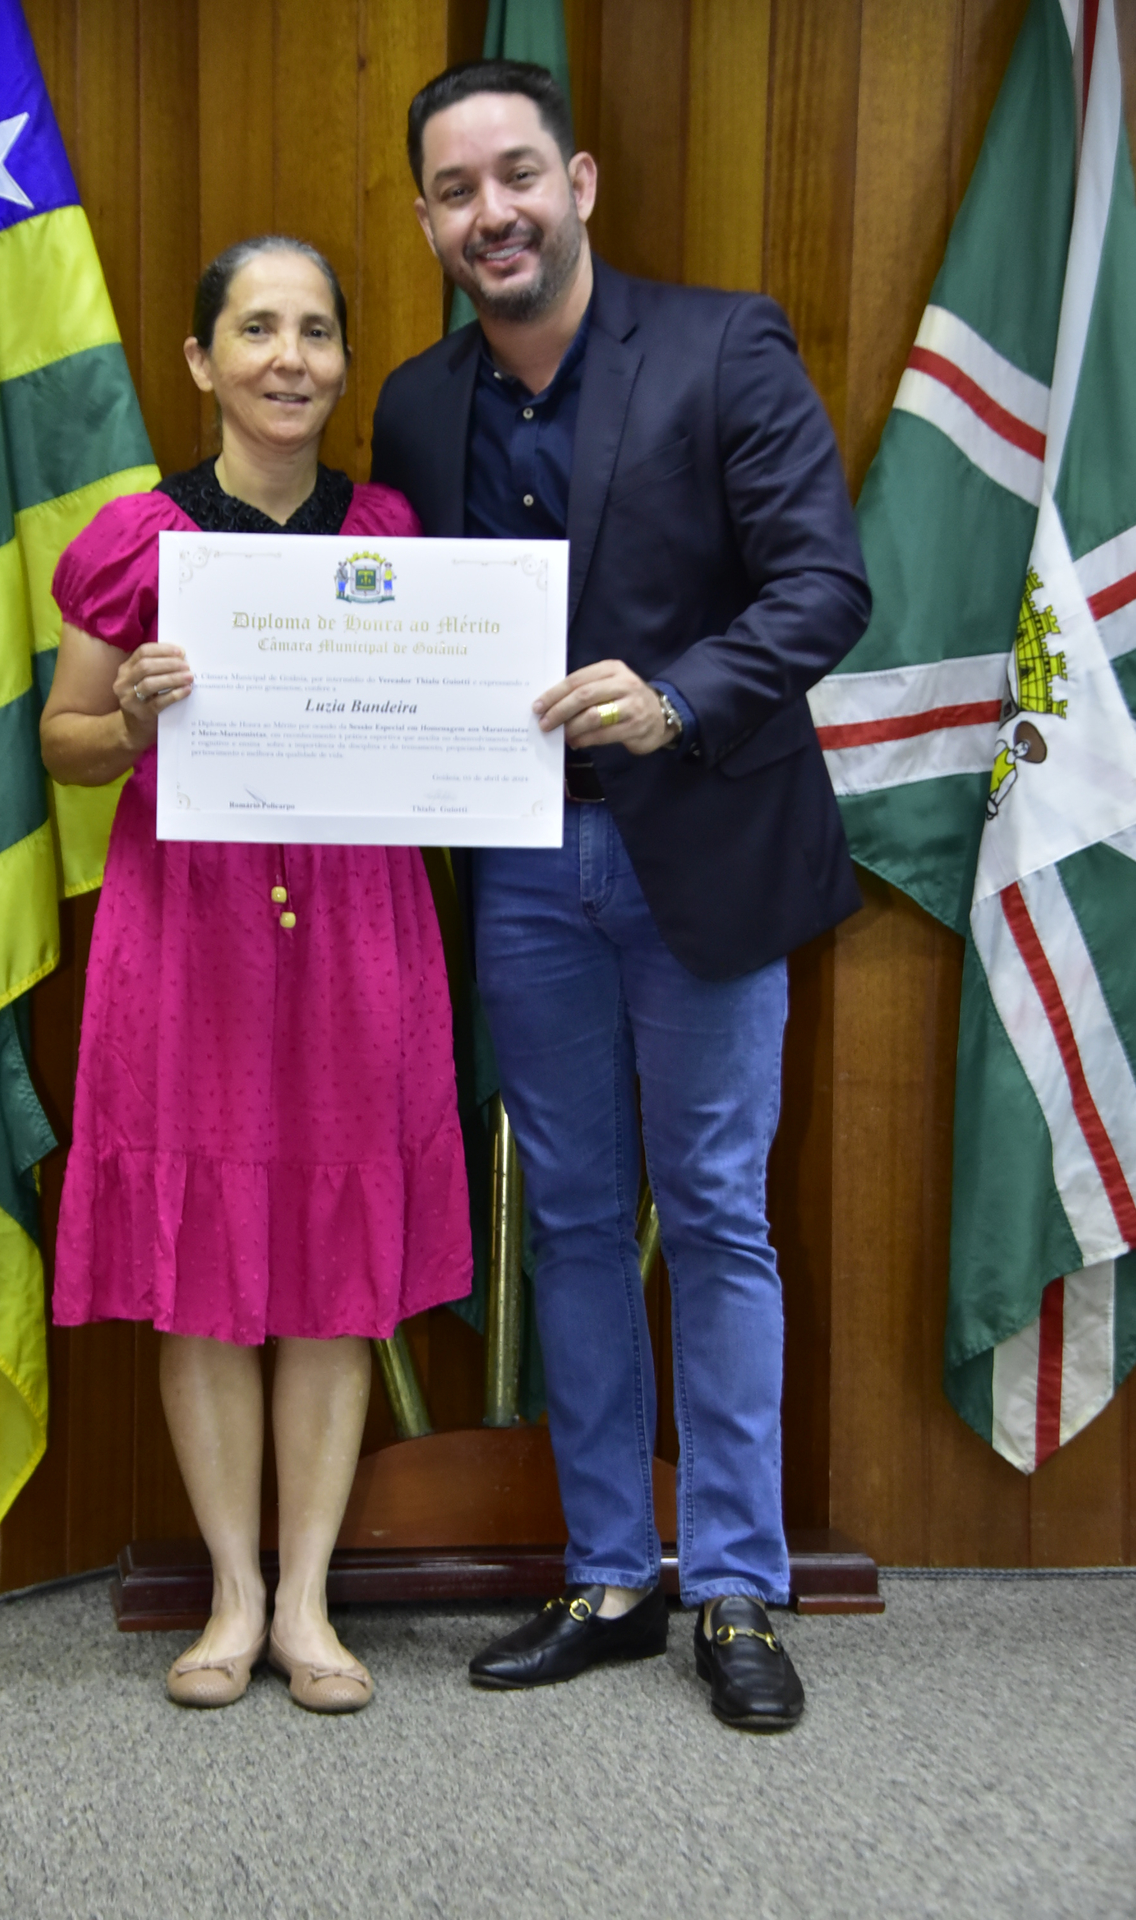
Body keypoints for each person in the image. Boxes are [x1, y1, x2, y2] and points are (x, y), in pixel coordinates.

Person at [371, 62, 872, 1730]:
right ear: (429, 221)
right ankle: (609, 1573)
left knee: (714, 1214)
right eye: (457, 191)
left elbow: (824, 585)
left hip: (701, 849)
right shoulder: (416, 405)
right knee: (574, 1222)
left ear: (576, 181)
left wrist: (674, 698)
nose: (492, 213)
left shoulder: (724, 346)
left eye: (516, 175)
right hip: (519, 864)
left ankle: (734, 1587)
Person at [40, 236, 472, 1713]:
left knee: (340, 1276)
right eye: (256, 328)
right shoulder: (134, 542)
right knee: (204, 1271)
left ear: (344, 361)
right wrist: (130, 722)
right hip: (191, 932)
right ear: (201, 359)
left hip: (358, 927)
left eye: (315, 332)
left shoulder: (397, 538)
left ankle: (307, 1605)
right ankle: (229, 1599)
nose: (289, 357)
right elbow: (64, 744)